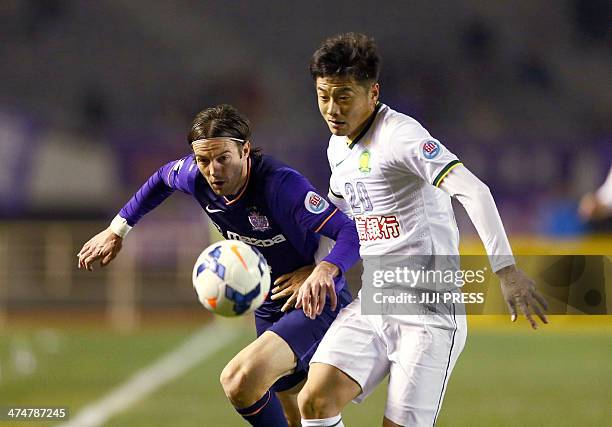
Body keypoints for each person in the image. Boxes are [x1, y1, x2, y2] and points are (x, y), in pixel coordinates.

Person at [296, 33, 549, 427]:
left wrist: (506, 270)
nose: (332, 108)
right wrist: (319, 268)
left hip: (429, 312)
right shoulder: (337, 147)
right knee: (314, 400)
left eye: (344, 96)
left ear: (373, 92)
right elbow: (337, 215)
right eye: (324, 95)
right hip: (375, 299)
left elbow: (475, 191)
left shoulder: (401, 136)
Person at [77, 104, 360, 427]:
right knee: (290, 407)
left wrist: (323, 269)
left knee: (240, 380)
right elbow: (159, 179)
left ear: (245, 151)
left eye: (223, 158)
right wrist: (117, 230)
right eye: (203, 160)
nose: (212, 170)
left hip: (313, 300)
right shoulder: (194, 177)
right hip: (269, 301)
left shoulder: (281, 186)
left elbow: (350, 231)